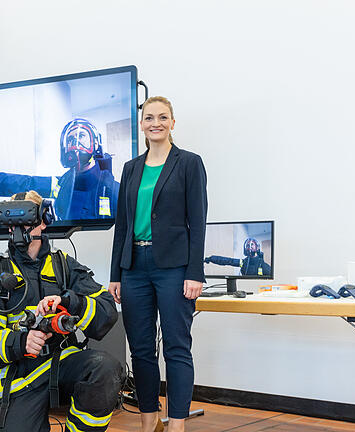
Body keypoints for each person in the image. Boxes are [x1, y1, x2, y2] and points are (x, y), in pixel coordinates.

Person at [0, 190, 123, 432]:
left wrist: (70, 301)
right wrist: (21, 342)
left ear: (42, 221)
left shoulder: (64, 266)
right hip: (18, 375)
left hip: (61, 360)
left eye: (27, 220)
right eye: (12, 222)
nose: (18, 229)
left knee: (104, 367)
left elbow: (107, 310)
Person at [108, 96, 208, 432]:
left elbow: (198, 221)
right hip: (134, 266)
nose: (156, 123)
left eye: (163, 117)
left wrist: (195, 272)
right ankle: (149, 422)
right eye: (149, 117)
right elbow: (122, 225)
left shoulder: (189, 163)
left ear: (173, 123)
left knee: (177, 347)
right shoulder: (131, 168)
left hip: (174, 268)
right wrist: (116, 275)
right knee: (140, 349)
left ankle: (176, 423)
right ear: (142, 124)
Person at [0, 118, 120, 220]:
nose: (75, 142)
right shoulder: (62, 184)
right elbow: (22, 184)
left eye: (81, 135)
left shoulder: (113, 189)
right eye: (70, 139)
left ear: (95, 142)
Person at [204, 237, 271, 276]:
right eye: (247, 245)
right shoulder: (244, 262)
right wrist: (211, 259)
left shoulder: (263, 265)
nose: (250, 247)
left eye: (252, 244)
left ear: (257, 247)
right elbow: (227, 261)